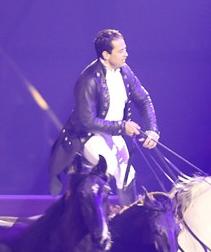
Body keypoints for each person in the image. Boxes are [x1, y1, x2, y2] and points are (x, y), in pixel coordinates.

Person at [48, 29, 159, 205]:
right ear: (106, 54)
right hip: (87, 136)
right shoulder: (89, 79)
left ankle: (127, 219)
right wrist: (122, 127)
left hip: (113, 133)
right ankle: (97, 218)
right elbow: (87, 121)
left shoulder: (125, 71)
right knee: (109, 166)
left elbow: (144, 99)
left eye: (125, 49)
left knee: (127, 174)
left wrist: (152, 130)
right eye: (120, 51)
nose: (126, 54)